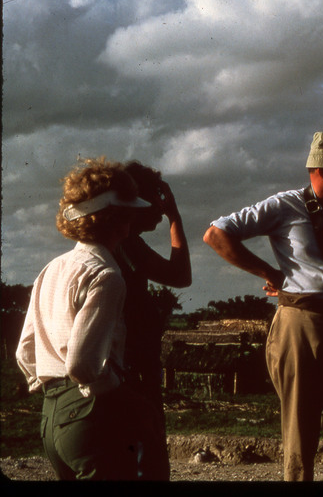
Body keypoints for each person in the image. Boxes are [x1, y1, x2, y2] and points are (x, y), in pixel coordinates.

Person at [203, 132, 323, 481]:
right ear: (322, 171)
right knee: (300, 434)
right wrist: (269, 272)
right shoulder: (286, 206)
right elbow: (216, 234)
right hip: (302, 324)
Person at [15, 157, 153, 480]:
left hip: (51, 420)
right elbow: (81, 366)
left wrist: (54, 392)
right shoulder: (106, 276)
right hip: (90, 417)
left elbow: (24, 351)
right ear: (119, 220)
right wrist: (121, 395)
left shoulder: (50, 270)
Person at [117, 161, 192, 480]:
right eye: (157, 201)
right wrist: (175, 216)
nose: (160, 211)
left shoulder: (125, 243)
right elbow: (180, 275)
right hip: (132, 370)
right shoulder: (127, 243)